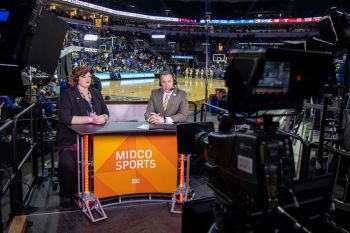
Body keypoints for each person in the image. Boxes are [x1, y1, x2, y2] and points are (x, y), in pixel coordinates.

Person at [57, 66, 109, 208]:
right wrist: (91, 119)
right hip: (71, 139)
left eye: (89, 76)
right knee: (68, 164)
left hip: (95, 139)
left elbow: (106, 112)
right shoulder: (68, 94)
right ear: (76, 79)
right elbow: (66, 118)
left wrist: (103, 118)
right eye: (84, 76)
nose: (88, 79)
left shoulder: (96, 92)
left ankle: (98, 189)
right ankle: (66, 194)